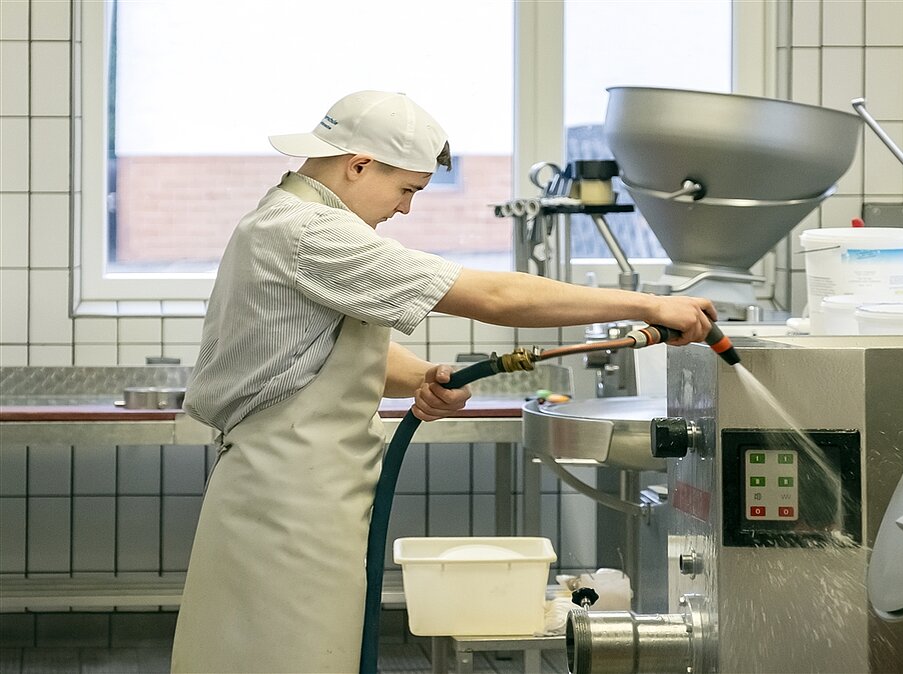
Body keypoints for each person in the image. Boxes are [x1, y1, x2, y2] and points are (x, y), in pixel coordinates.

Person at [170, 90, 715, 673]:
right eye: (407, 189)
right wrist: (651, 307)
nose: (405, 209)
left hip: (302, 492)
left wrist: (423, 376)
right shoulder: (309, 231)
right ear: (358, 166)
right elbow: (496, 297)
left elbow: (316, 346)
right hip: (285, 501)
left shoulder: (289, 219)